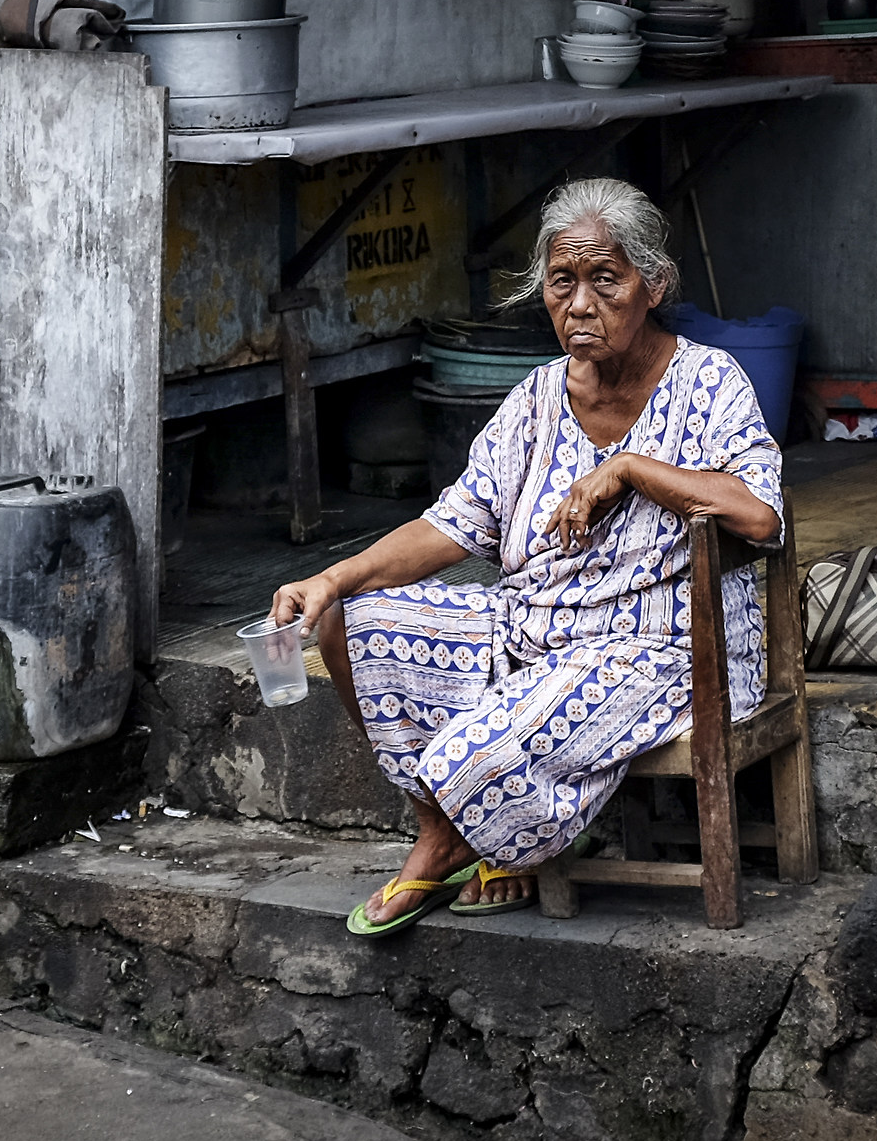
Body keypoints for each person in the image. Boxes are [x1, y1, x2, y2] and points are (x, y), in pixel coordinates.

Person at [270, 177, 782, 935]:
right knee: (352, 621)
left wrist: (633, 468)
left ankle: (467, 839)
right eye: (562, 282)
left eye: (605, 279)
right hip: (530, 633)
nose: (580, 305)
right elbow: (450, 528)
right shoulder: (535, 400)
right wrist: (329, 578)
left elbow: (760, 516)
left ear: (654, 285)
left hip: (659, 653)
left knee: (464, 756)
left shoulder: (709, 382)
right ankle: (456, 834)